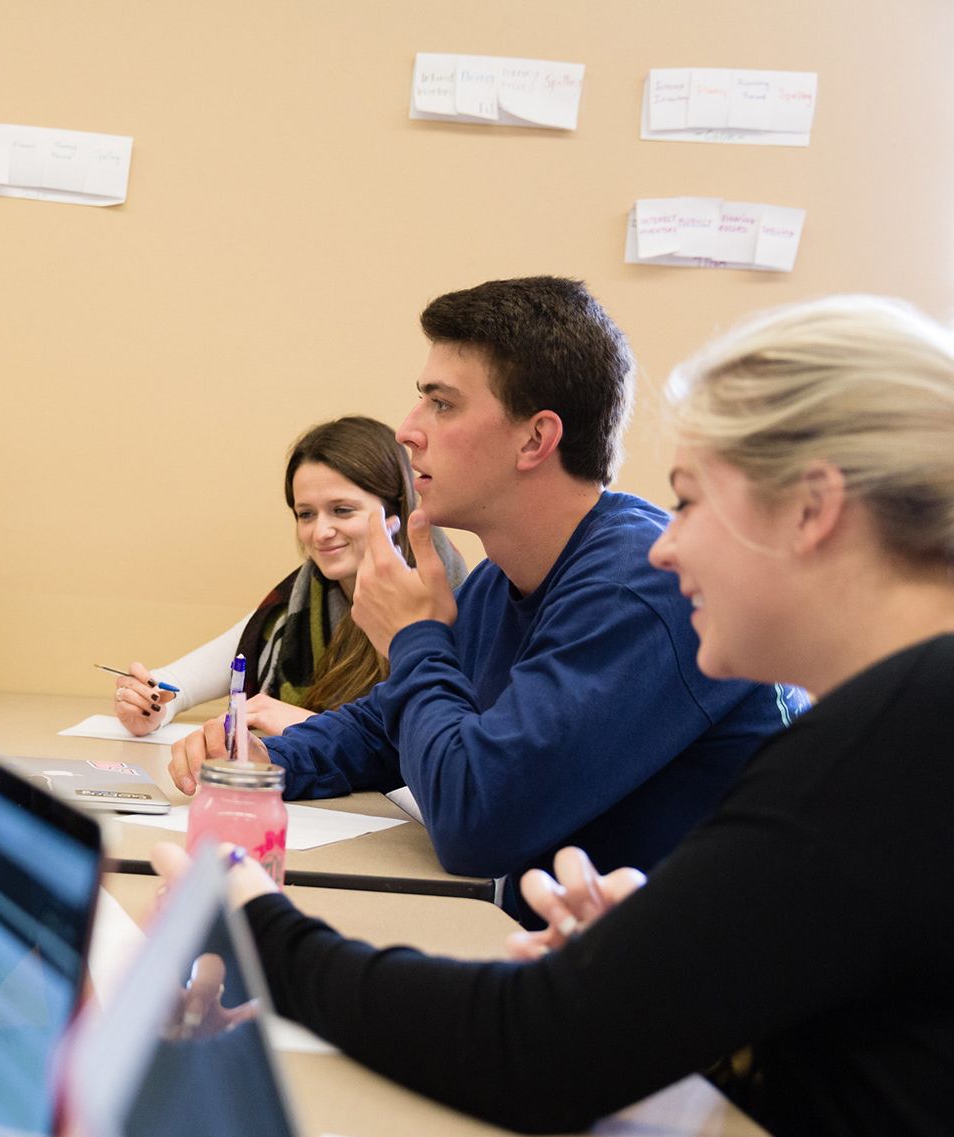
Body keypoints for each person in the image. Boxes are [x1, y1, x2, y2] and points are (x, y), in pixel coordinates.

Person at [200, 293, 954, 1137]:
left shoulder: (893, 730)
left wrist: (257, 929)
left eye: (688, 498)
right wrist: (668, 955)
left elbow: (536, 1047)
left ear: (811, 509)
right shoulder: (894, 720)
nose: (668, 541)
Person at [170, 277, 795, 920]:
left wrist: (413, 638)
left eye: (442, 405)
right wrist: (269, 754)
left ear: (535, 439)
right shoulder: (504, 579)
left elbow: (478, 823)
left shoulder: (639, 584)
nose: (409, 432)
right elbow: (389, 728)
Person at [111, 416, 466, 737]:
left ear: (396, 510)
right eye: (306, 514)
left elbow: (441, 740)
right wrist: (151, 704)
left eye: (342, 510)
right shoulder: (295, 602)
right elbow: (176, 685)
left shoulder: (453, 604)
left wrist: (305, 723)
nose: (320, 532)